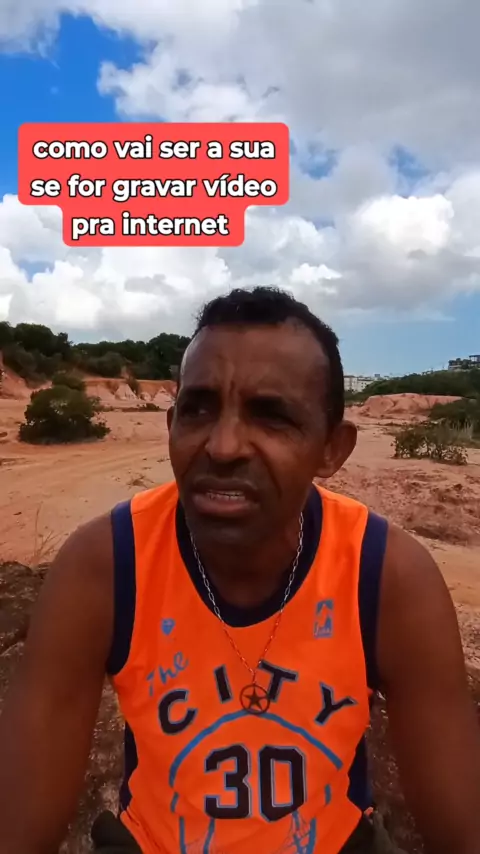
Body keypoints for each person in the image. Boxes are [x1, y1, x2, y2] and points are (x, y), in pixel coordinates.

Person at [0, 287, 479, 854]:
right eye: (199, 409)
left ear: (332, 449)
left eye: (271, 416)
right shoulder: (106, 564)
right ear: (171, 425)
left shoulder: (385, 575)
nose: (223, 446)